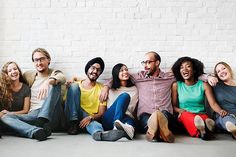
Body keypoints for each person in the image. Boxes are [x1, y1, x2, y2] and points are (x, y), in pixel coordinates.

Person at [100, 51, 218, 143]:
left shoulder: (169, 77)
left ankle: (154, 133)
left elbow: (190, 74)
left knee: (163, 115)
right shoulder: (139, 77)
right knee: (148, 118)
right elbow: (118, 76)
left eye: (148, 62)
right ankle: (161, 131)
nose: (145, 65)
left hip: (166, 113)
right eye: (144, 63)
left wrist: (208, 77)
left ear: (157, 63)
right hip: (145, 115)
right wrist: (106, 86)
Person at [1, 48, 66, 141]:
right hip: (33, 114)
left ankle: (41, 122)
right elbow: (15, 80)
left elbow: (61, 77)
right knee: (5, 117)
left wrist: (48, 82)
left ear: (48, 60)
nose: (39, 63)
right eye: (36, 60)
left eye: (42, 59)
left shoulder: (55, 73)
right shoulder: (28, 75)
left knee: (56, 84)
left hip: (52, 114)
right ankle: (36, 131)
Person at [64, 57, 124, 141]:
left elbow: (101, 112)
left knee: (94, 124)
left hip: (86, 120)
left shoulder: (101, 89)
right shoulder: (75, 85)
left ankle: (100, 134)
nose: (95, 71)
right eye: (93, 68)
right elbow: (67, 104)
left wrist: (91, 117)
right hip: (71, 118)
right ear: (88, 68)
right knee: (73, 87)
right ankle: (73, 123)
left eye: (98, 70)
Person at [171, 57, 227, 140]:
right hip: (185, 115)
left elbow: (213, 104)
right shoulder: (176, 85)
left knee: (204, 120)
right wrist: (180, 111)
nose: (184, 69)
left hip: (201, 115)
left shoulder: (204, 85)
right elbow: (173, 106)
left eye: (188, 66)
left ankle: (203, 130)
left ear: (194, 70)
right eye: (181, 67)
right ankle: (203, 132)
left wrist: (220, 111)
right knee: (186, 115)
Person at [101, 63, 138, 140]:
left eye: (126, 69)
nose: (125, 72)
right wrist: (105, 87)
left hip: (126, 118)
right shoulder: (110, 89)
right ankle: (116, 127)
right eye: (122, 70)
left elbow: (134, 109)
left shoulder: (135, 89)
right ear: (116, 73)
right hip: (110, 118)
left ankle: (124, 132)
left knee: (130, 123)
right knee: (125, 96)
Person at [0, 62, 31, 136]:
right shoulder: (2, 88)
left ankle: (34, 130)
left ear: (19, 71)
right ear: (6, 75)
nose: (13, 72)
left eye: (15, 69)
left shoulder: (26, 88)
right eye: (10, 71)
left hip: (16, 119)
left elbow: (25, 110)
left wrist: (9, 113)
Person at [213, 62, 236, 139]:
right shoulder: (216, 85)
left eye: (223, 68)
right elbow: (199, 76)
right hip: (223, 115)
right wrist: (209, 77)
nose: (221, 72)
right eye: (218, 71)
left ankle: (234, 130)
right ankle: (233, 128)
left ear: (229, 69)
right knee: (227, 119)